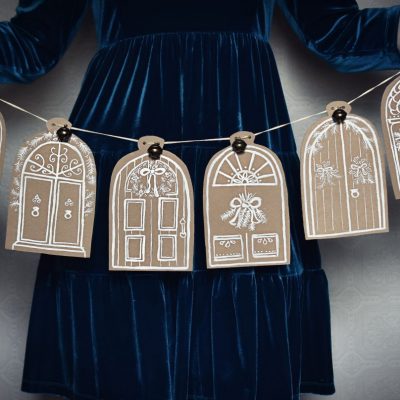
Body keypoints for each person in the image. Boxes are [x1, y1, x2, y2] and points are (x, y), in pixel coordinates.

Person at [1, 1, 399, 399]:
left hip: (243, 136)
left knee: (242, 312)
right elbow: (32, 45)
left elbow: (340, 33)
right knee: (128, 328)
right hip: (126, 136)